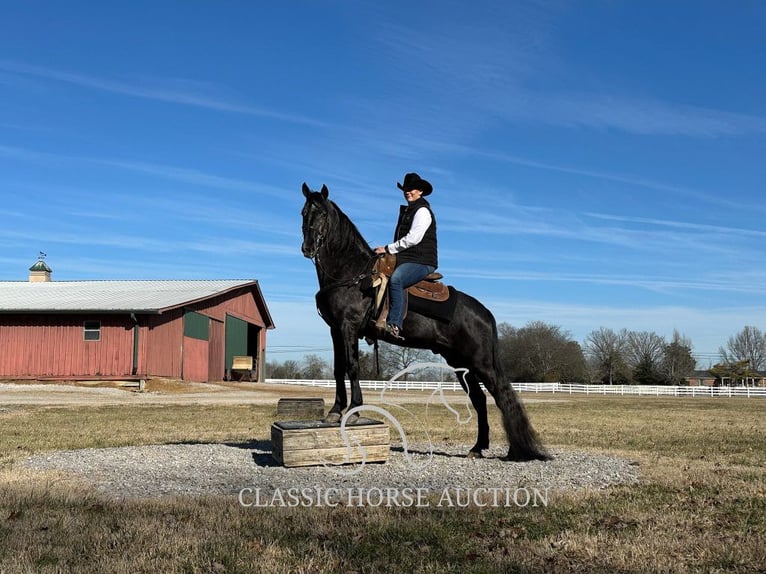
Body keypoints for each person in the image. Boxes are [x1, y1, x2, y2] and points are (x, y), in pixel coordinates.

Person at [374, 172, 438, 340]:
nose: (408, 192)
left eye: (412, 189)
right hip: (407, 258)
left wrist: (388, 248)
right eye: (406, 189)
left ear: (421, 191)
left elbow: (413, 238)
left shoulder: (422, 211)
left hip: (422, 261)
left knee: (397, 279)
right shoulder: (409, 211)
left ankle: (394, 324)